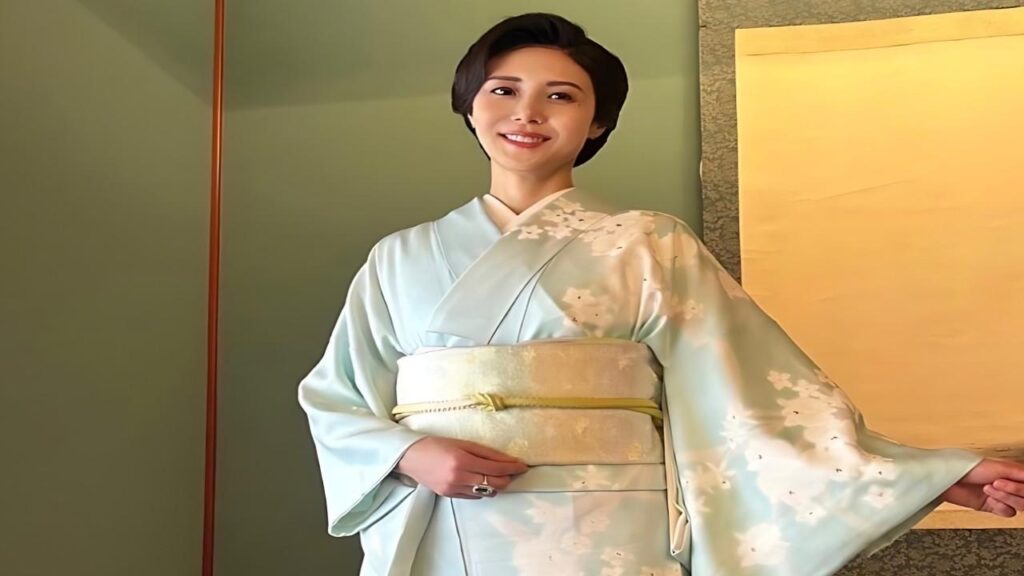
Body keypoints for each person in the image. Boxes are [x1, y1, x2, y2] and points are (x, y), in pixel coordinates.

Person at [297, 12, 1024, 576]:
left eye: (561, 96)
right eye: (503, 90)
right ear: (470, 105)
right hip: (440, 520)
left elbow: (756, 397)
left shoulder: (647, 242)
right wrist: (411, 453)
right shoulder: (400, 257)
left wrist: (936, 476)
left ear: (598, 123)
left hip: (607, 526)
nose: (527, 112)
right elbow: (336, 396)